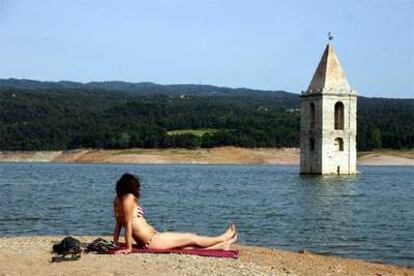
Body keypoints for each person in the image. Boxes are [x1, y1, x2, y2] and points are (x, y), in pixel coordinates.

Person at [113, 173, 237, 254]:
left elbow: (119, 224)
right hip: (153, 241)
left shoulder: (118, 200)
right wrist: (128, 248)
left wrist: (115, 242)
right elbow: (128, 224)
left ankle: (222, 246)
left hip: (154, 238)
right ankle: (224, 237)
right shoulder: (128, 198)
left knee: (187, 246)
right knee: (191, 237)